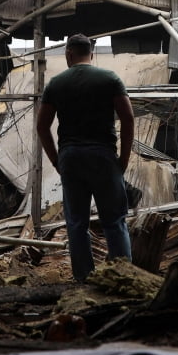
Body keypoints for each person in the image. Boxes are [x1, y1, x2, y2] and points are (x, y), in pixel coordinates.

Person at [35, 33, 135, 282]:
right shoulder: (110, 79)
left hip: (71, 157)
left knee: (77, 224)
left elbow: (42, 126)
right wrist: (123, 159)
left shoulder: (56, 84)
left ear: (69, 54)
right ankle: (122, 278)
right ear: (91, 53)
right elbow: (128, 118)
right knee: (114, 221)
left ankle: (85, 281)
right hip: (103, 157)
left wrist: (57, 160)